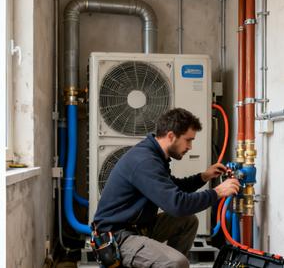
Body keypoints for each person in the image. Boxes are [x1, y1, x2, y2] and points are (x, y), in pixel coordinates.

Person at [92, 108, 240, 268]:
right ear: (171, 136)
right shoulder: (145, 162)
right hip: (117, 237)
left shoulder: (155, 155)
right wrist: (217, 192)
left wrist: (203, 176)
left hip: (139, 227)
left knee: (187, 221)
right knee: (176, 263)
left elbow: (173, 187)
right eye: (188, 140)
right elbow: (177, 204)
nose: (190, 147)